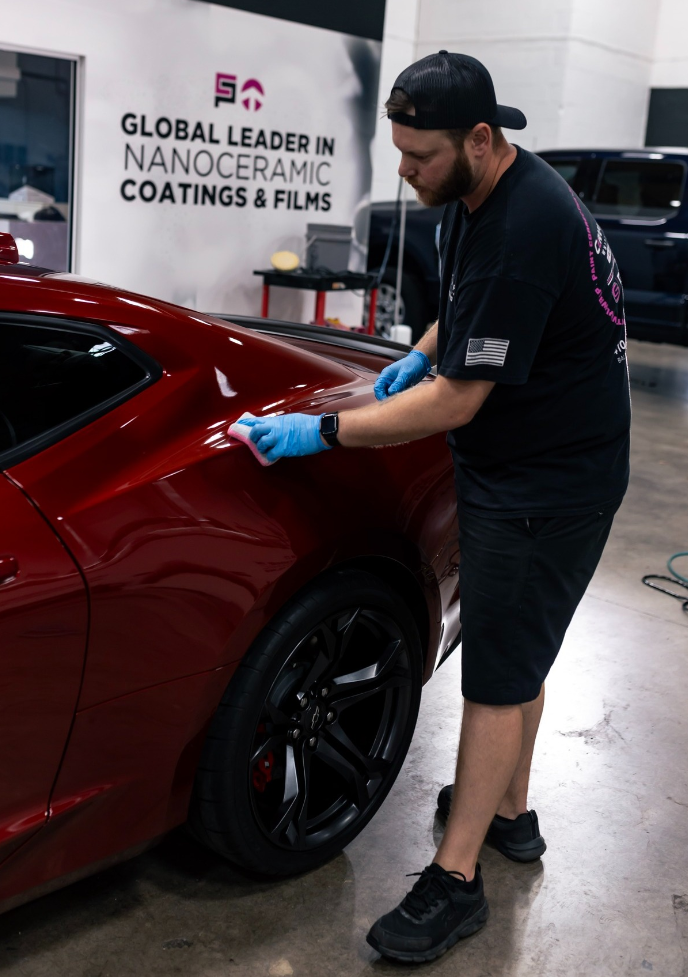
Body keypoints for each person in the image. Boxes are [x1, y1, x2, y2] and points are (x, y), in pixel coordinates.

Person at [235, 51, 631, 965]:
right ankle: (511, 814)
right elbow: (467, 308)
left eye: (418, 157)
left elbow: (459, 401)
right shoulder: (485, 193)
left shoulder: (525, 226)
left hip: (548, 484)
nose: (404, 172)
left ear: (481, 140)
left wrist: (330, 433)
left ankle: (455, 883)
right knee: (521, 646)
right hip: (540, 464)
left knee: (494, 674)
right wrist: (417, 351)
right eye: (399, 151)